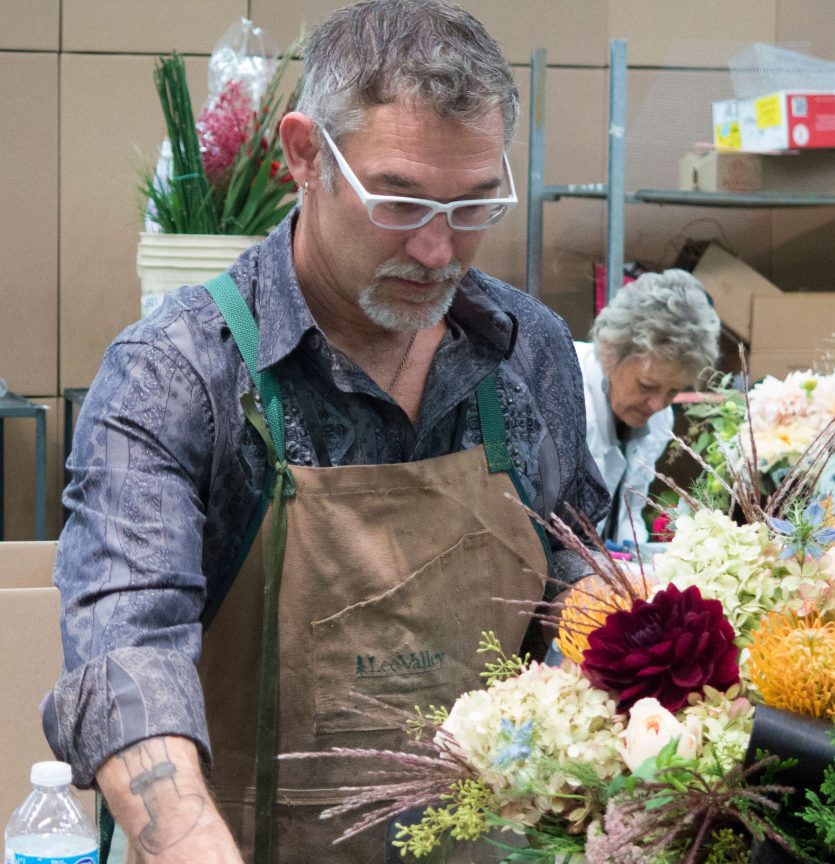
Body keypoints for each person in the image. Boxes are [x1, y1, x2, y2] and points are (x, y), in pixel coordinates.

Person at [43, 3, 608, 862]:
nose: (435, 250)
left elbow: (576, 572)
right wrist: (189, 839)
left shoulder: (525, 352)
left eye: (473, 204)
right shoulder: (178, 373)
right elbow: (128, 661)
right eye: (400, 199)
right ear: (305, 154)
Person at [575, 269, 720, 545]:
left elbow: (630, 510)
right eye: (646, 386)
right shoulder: (566, 394)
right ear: (609, 352)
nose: (658, 405)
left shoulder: (659, 418)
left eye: (673, 391)